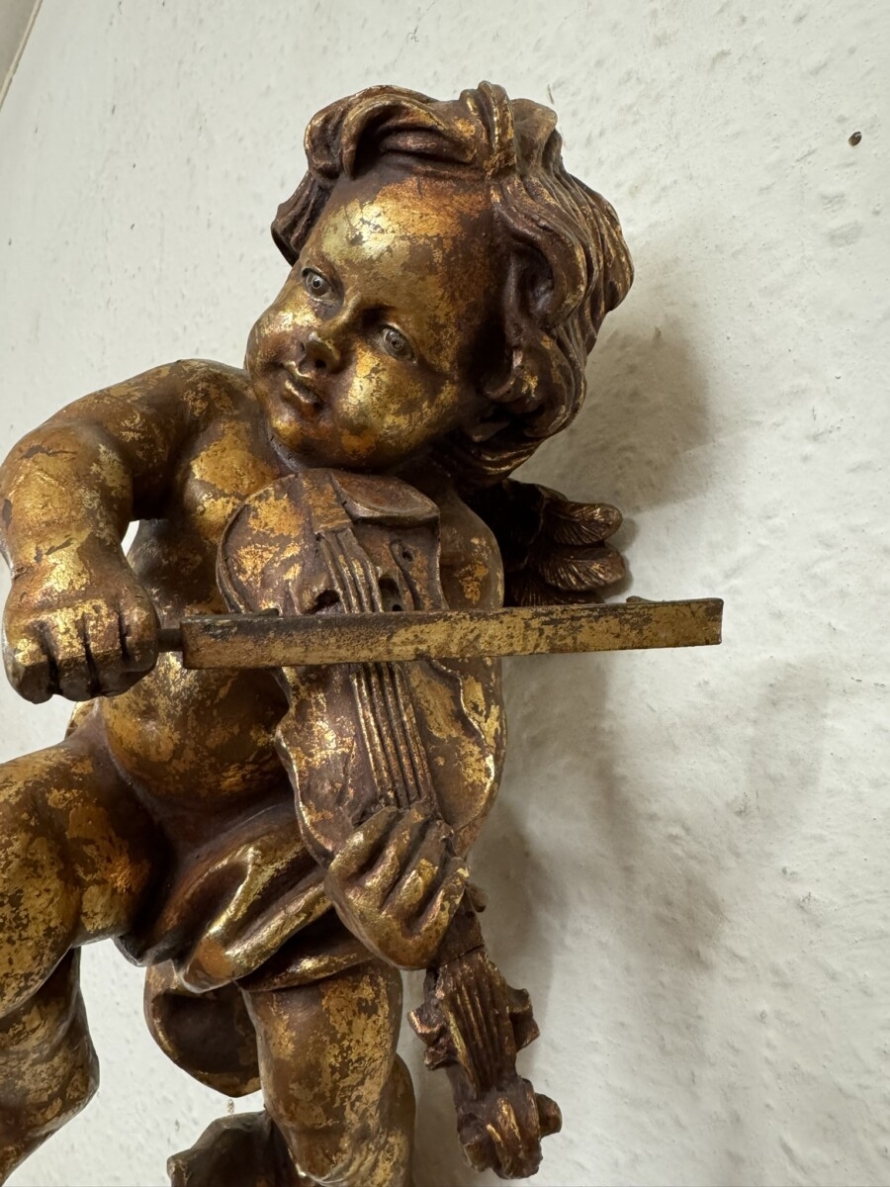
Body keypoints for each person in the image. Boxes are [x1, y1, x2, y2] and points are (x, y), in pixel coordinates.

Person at [0, 82, 632, 1186]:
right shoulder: (207, 412)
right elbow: (69, 452)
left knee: (330, 1095)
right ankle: (36, 1075)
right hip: (110, 787)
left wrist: (409, 872)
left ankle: (329, 1161)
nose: (321, 341)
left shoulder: (452, 550)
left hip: (292, 868)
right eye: (320, 284)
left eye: (391, 336)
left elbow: (452, 746)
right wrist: (64, 562)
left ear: (480, 398)